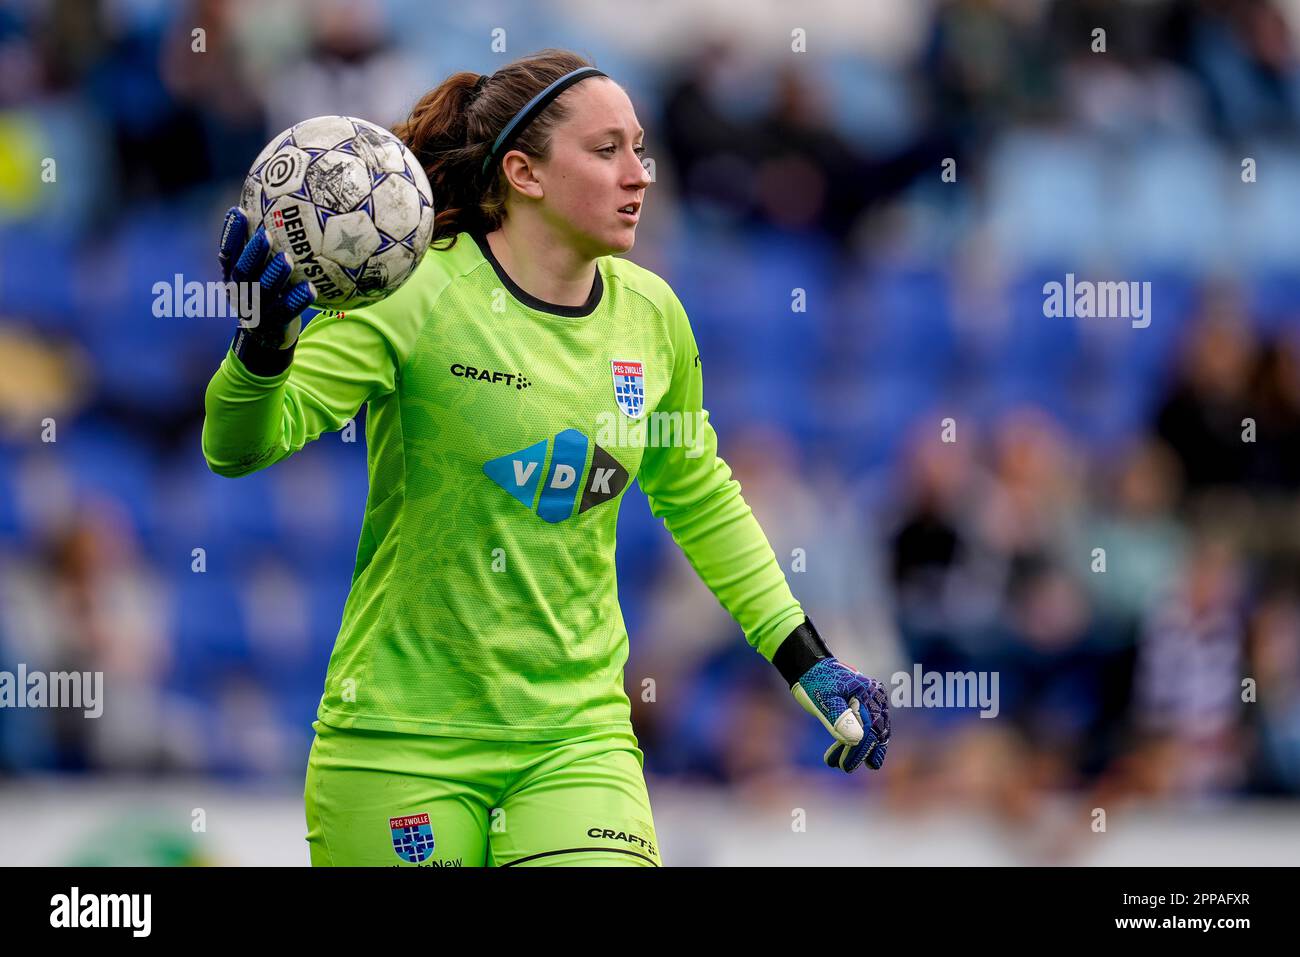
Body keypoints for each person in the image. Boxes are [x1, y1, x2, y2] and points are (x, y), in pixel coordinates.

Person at [202, 48, 890, 867]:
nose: (639, 175)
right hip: (399, 738)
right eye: (607, 152)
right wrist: (262, 351)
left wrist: (805, 660)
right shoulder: (415, 293)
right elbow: (237, 449)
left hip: (577, 741)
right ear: (523, 173)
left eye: (641, 148)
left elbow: (699, 497)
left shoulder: (653, 315)